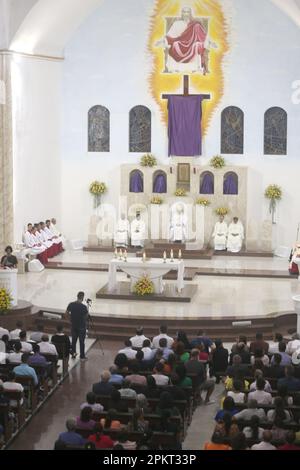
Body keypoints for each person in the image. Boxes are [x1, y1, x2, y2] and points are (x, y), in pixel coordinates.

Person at [66, 291, 89, 360]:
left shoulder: (71, 304)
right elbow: (86, 316)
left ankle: (73, 354)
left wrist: (69, 320)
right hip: (81, 326)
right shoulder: (83, 307)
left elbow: (66, 312)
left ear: (77, 296)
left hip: (73, 325)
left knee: (74, 340)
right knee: (82, 341)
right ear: (82, 297)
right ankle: (82, 356)